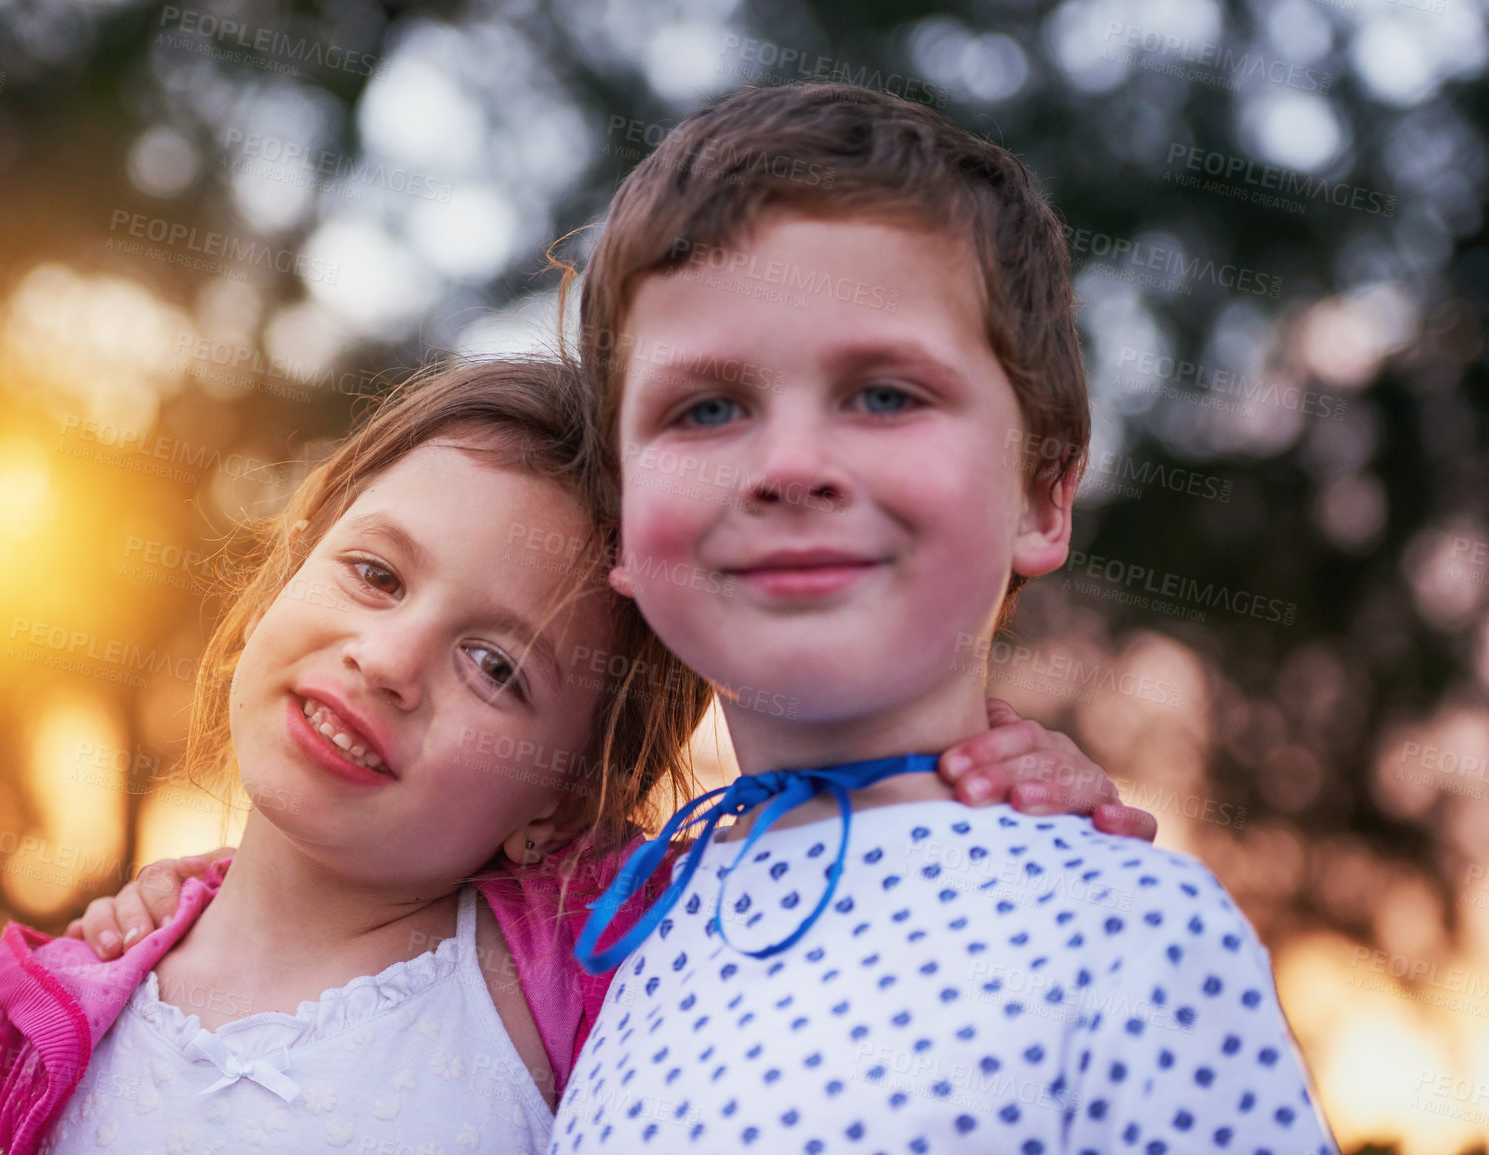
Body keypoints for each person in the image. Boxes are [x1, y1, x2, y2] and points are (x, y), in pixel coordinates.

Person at [0, 356, 1140, 1155]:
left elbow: (858, 923)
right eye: (373, 573)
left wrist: (997, 794)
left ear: (570, 803)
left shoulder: (594, 977)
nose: (389, 659)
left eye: (498, 667)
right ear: (281, 572)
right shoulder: (24, 1023)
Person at [550, 81, 1338, 1152]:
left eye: (884, 395)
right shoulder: (605, 942)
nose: (789, 466)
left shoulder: (1129, 934)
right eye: (707, 407)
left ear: (1043, 493)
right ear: (620, 527)